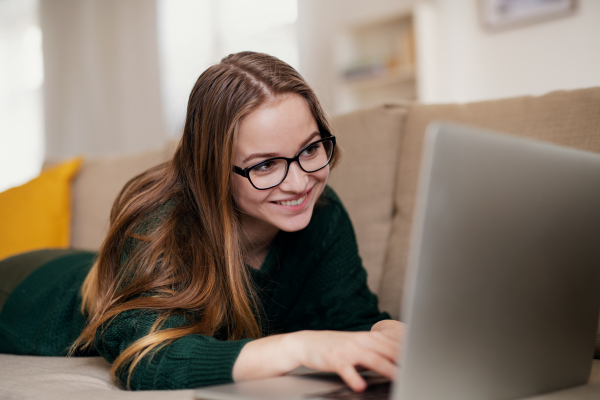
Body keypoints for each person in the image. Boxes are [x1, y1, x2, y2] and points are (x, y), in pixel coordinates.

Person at [0, 51, 404, 392]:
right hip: (24, 294)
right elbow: (147, 358)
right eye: (264, 165)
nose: (300, 182)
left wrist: (385, 334)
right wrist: (297, 348)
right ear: (212, 169)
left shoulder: (323, 211)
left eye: (311, 148)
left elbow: (349, 318)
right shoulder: (157, 227)